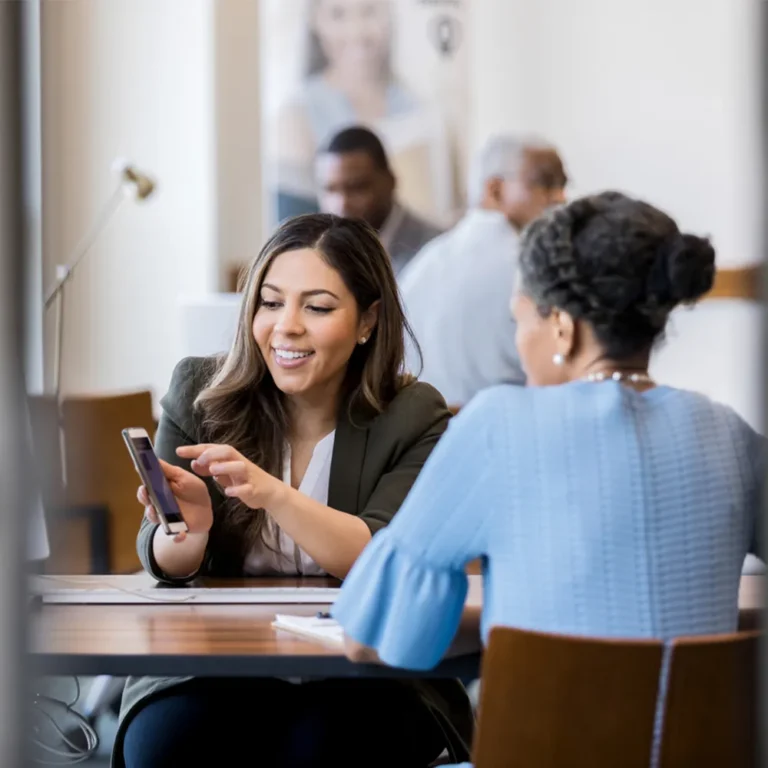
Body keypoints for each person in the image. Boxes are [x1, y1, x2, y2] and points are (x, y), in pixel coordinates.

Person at [332, 192, 764, 764]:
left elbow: (376, 636)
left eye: (520, 318)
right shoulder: (730, 435)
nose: (518, 341)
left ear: (561, 327)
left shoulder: (497, 424)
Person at [116, 214, 473, 767]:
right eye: (271, 302)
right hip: (216, 666)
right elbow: (166, 559)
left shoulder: (413, 413)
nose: (287, 327)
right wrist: (188, 529)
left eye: (318, 306)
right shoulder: (199, 393)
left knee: (324, 749)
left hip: (365, 671)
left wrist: (273, 494)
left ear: (368, 321)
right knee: (166, 746)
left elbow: (379, 556)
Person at [399, 136, 568, 407]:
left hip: (424, 439)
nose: (561, 198)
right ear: (495, 190)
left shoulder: (423, 265)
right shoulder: (533, 267)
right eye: (545, 183)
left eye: (563, 185)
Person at [273, 0, 456, 224]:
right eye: (338, 14)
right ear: (315, 20)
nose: (357, 30)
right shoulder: (296, 115)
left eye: (369, 11)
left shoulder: (417, 108)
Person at [316, 126, 444, 276]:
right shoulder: (318, 253)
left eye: (357, 187)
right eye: (330, 190)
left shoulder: (435, 252)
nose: (342, 204)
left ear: (390, 182)